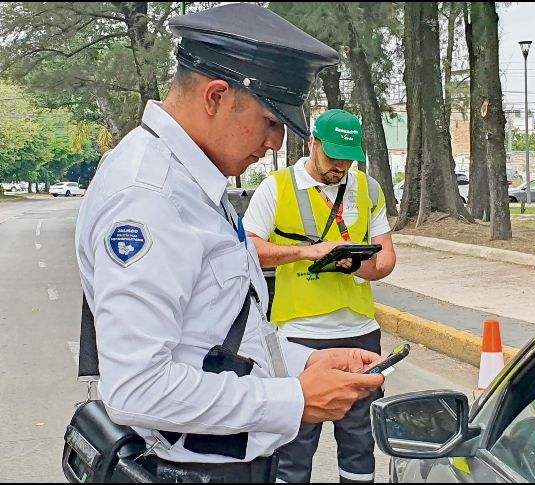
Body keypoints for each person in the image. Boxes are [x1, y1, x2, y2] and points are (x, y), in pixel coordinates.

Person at [74, 4, 384, 483]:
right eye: (270, 121)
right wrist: (295, 398)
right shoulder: (150, 197)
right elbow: (138, 389)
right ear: (216, 96)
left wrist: (306, 363)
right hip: (188, 469)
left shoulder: (191, 180)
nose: (276, 142)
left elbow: (212, 335)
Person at [243, 109, 397, 483]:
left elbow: (386, 260)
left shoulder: (368, 189)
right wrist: (305, 252)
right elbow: (246, 249)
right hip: (300, 337)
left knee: (359, 442)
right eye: (332, 156)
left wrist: (354, 264)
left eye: (348, 158)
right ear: (313, 143)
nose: (340, 166)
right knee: (294, 443)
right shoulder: (277, 187)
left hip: (360, 334)